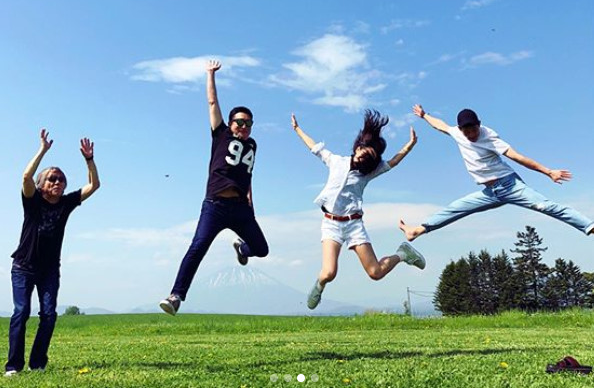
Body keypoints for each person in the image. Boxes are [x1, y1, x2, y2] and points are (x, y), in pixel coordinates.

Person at [159, 60, 269, 315]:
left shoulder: (253, 145)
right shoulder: (221, 134)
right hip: (215, 206)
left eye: (248, 123)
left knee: (261, 249)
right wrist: (210, 75)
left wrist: (252, 202)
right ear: (230, 123)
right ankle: (176, 296)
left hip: (241, 207)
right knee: (198, 246)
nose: (244, 127)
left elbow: (248, 175)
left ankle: (242, 248)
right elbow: (212, 103)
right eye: (239, 122)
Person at [291, 110, 426, 310]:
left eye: (370, 155)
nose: (364, 155)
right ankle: (319, 287)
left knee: (375, 273)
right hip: (331, 223)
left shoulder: (367, 174)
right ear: (358, 147)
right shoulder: (336, 161)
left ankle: (403, 254)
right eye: (364, 149)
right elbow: (314, 147)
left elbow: (393, 162)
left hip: (354, 225)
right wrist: (297, 129)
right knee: (329, 273)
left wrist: (410, 145)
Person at [399, 105, 594, 241]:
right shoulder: (458, 132)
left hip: (510, 186)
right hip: (490, 192)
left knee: (546, 206)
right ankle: (417, 230)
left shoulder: (490, 137)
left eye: (474, 130)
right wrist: (424, 115)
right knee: (455, 208)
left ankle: (589, 226)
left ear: (479, 124)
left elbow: (518, 157)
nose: (471, 135)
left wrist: (548, 171)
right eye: (467, 132)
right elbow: (440, 125)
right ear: (460, 129)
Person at [5, 129, 100, 377]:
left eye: (61, 179)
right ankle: (13, 366)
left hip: (49, 270)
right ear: (41, 184)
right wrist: (43, 150)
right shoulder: (32, 200)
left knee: (48, 315)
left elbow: (94, 185)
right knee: (21, 312)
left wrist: (89, 160)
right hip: (24, 267)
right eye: (52, 179)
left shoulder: (67, 203)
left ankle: (37, 363)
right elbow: (26, 176)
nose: (58, 182)